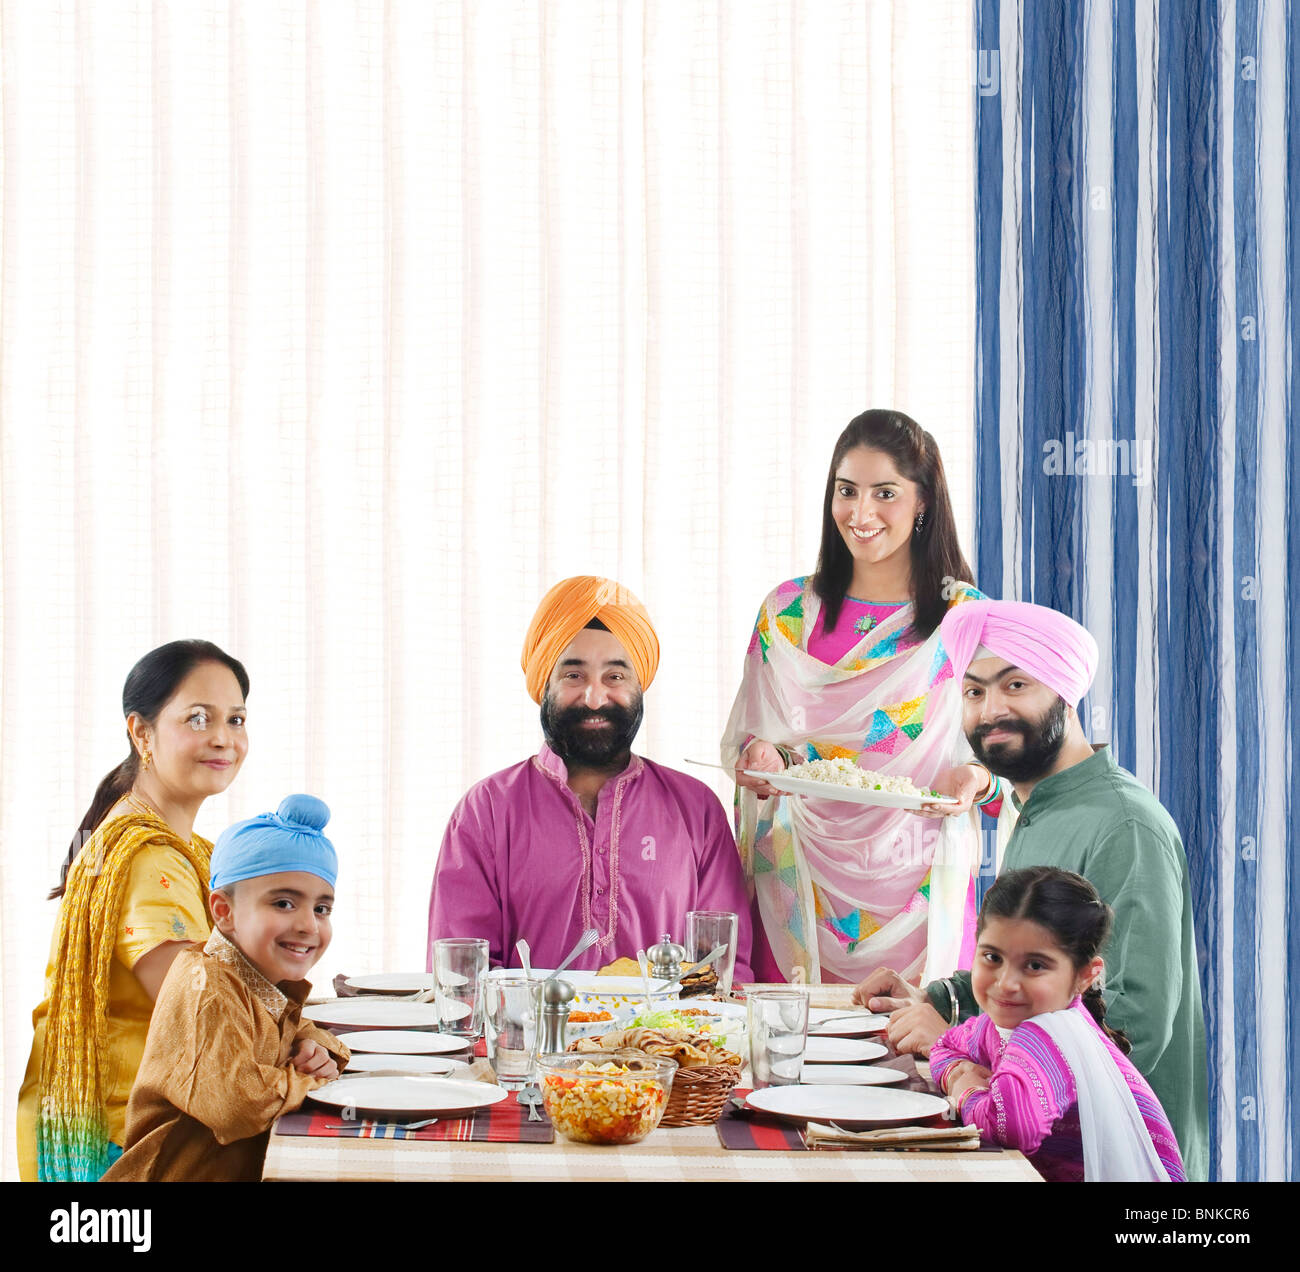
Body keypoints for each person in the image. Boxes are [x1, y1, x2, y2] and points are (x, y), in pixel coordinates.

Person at [854, 598, 1209, 1181]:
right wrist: (934, 999)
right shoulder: (1034, 808)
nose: (991, 710)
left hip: (1115, 1158)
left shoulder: (1123, 824)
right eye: (973, 692)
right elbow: (1042, 983)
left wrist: (960, 1059)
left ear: (1065, 693)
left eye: (1014, 684)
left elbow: (1131, 1019)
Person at [720, 409, 1006, 986]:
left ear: (923, 501)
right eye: (846, 491)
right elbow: (754, 733)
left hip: (919, 886)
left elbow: (1002, 756)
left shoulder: (964, 618)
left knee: (920, 1064)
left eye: (885, 493)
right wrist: (763, 759)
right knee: (791, 1059)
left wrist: (975, 780)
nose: (861, 513)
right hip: (796, 881)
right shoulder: (788, 613)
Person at [428, 575, 753, 976]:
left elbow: (724, 972)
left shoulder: (695, 808)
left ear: (640, 686)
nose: (594, 698)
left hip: (666, 1039)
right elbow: (459, 977)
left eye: (615, 677)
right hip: (532, 1039)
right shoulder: (487, 810)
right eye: (573, 675)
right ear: (543, 683)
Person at [17, 639, 250, 1182]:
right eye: (198, 718)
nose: (224, 738)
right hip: (137, 1143)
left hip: (133, 1116)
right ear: (141, 733)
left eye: (236, 719)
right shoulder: (147, 857)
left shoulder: (176, 843)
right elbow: (201, 1015)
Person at [103, 794, 348, 1182]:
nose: (309, 925)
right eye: (284, 903)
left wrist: (314, 1046)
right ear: (224, 912)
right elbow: (239, 1107)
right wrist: (312, 1077)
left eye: (322, 908)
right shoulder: (207, 988)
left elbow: (294, 1026)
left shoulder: (256, 975)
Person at [930, 867, 1184, 1182]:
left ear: (1085, 976)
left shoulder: (1048, 1034)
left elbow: (1011, 1128)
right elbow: (945, 1044)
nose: (1007, 983)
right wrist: (958, 1070)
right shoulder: (997, 1026)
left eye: (1035, 965)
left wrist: (963, 1087)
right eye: (993, 957)